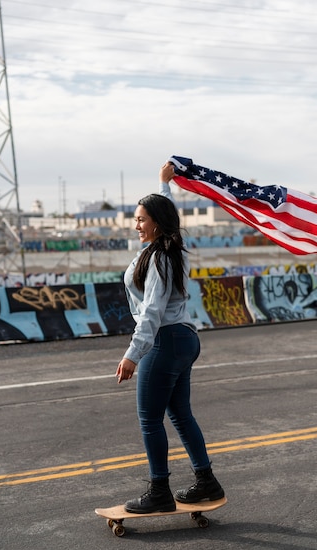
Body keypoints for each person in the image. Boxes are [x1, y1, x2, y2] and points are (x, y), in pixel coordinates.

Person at [115, 162, 224, 514]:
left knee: (150, 419)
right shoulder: (169, 250)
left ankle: (159, 491)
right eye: (136, 218)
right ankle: (206, 481)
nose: (136, 225)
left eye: (141, 219)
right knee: (179, 415)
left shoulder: (160, 258)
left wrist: (133, 354)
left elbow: (151, 311)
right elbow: (167, 210)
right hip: (183, 339)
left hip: (164, 340)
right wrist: (165, 184)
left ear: (157, 223)